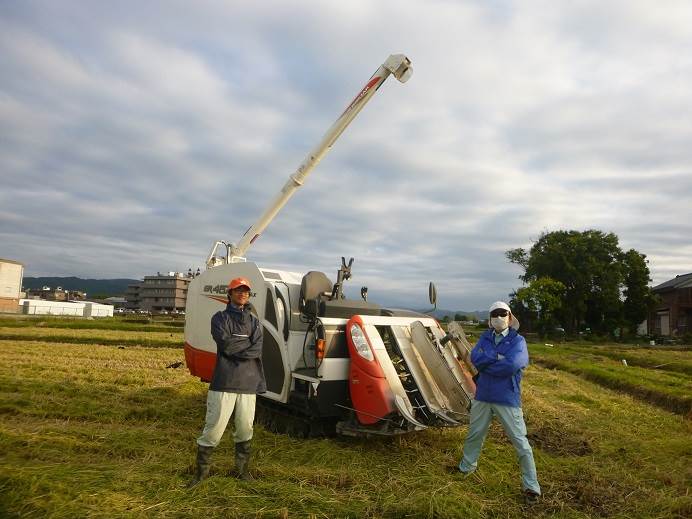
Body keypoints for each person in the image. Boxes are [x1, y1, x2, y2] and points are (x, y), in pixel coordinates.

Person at [456, 301, 541, 504]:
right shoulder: (485, 337)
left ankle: (531, 486)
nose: (499, 317)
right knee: (475, 434)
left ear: (510, 317)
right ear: (490, 319)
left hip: (507, 397)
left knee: (520, 442)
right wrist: (498, 358)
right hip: (483, 395)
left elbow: (513, 364)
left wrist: (489, 361)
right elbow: (475, 358)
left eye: (503, 313)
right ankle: (466, 468)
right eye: (495, 313)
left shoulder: (518, 341)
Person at [188, 277, 266, 487]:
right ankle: (200, 476)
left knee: (244, 430)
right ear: (229, 294)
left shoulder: (255, 322)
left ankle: (242, 472)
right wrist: (244, 345)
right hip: (224, 382)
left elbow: (257, 349)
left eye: (246, 291)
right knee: (213, 430)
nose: (242, 294)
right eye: (237, 290)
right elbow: (226, 346)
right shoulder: (219, 318)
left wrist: (237, 344)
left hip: (249, 384)